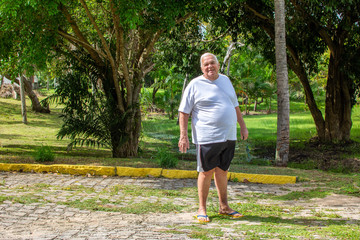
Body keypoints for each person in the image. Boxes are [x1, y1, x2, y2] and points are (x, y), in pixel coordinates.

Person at [178, 53, 249, 223]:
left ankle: (224, 206)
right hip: (207, 136)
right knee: (206, 171)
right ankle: (202, 208)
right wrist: (183, 136)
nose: (210, 67)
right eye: (206, 64)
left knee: (222, 171)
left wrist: (243, 126)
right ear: (202, 68)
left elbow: (235, 105)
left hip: (228, 135)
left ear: (218, 65)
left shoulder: (225, 80)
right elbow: (184, 111)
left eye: (213, 63)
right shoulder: (195, 84)